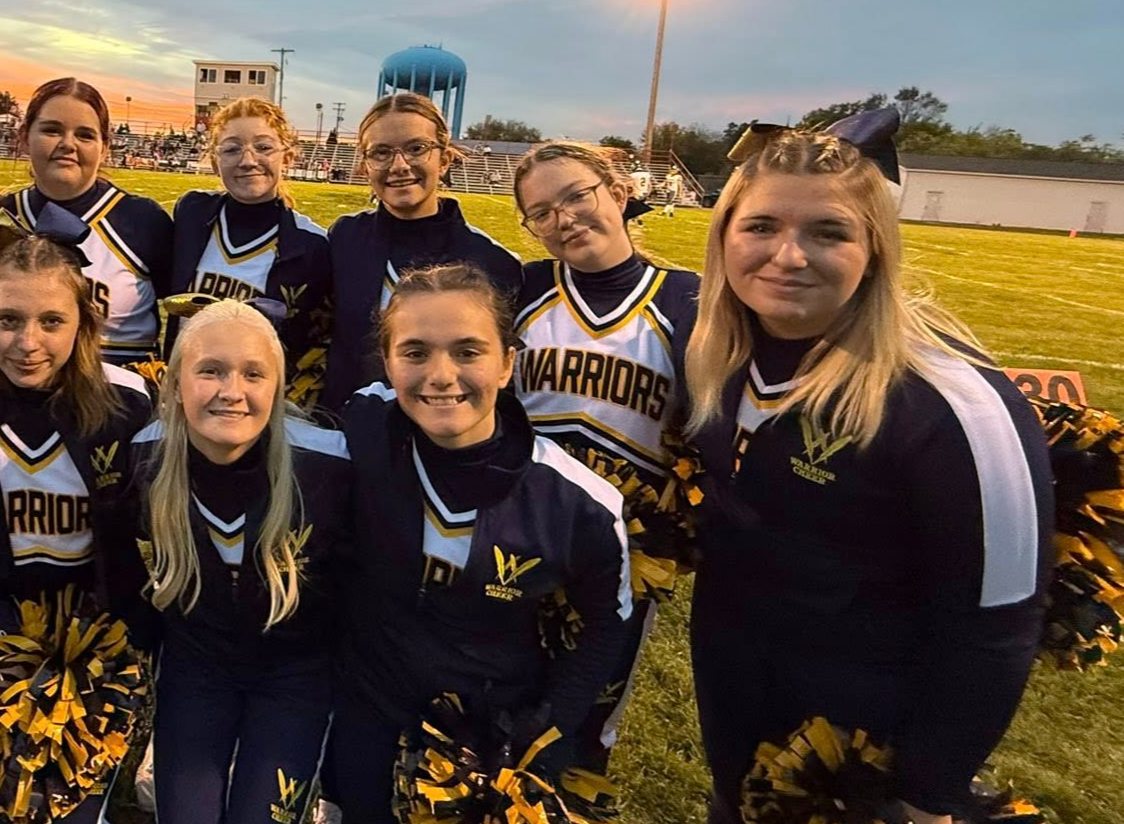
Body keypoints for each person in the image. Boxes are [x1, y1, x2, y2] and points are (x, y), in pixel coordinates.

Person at [682, 123, 1052, 824]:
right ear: (723, 235)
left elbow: (997, 623)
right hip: (739, 715)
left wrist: (927, 794)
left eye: (828, 232)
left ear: (876, 248)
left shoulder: (952, 403)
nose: (788, 255)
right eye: (760, 226)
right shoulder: (719, 354)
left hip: (866, 758)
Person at [325, 263, 633, 824]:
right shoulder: (364, 428)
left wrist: (549, 730)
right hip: (365, 709)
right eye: (415, 353)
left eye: (468, 352)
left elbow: (606, 626)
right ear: (388, 363)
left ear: (508, 363)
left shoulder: (578, 504)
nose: (441, 375)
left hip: (488, 736)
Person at [0, 213, 158, 823]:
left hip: (97, 617)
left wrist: (129, 619)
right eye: (8, 320)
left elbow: (149, 519)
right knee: (1, 793)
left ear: (84, 324)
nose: (28, 342)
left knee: (73, 791)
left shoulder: (127, 401)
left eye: (52, 321)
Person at [509, 140, 700, 778]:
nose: (563, 219)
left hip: (625, 553)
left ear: (618, 193)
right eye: (541, 213)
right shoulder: (525, 288)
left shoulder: (686, 302)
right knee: (498, 693)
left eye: (576, 197)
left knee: (584, 721)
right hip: (519, 532)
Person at [133, 301, 350, 824]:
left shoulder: (330, 465)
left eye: (254, 374)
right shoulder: (143, 458)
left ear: (278, 388)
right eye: (210, 371)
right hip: (196, 667)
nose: (232, 391)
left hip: (295, 676)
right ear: (174, 384)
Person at [324, 92, 522, 413]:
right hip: (342, 427)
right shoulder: (344, 238)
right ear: (365, 165)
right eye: (381, 152)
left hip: (443, 433)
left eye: (416, 149)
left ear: (444, 160)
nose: (399, 165)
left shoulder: (493, 262)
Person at [0, 77, 174, 367]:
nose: (68, 144)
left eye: (85, 135)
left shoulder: (144, 221)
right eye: (52, 130)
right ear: (24, 137)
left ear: (104, 148)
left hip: (116, 387)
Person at [170, 97, 334, 405]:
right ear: (215, 161)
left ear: (287, 157)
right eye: (232, 149)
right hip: (185, 393)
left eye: (263, 147)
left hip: (255, 402)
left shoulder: (313, 244)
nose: (248, 160)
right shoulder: (192, 213)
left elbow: (318, 341)